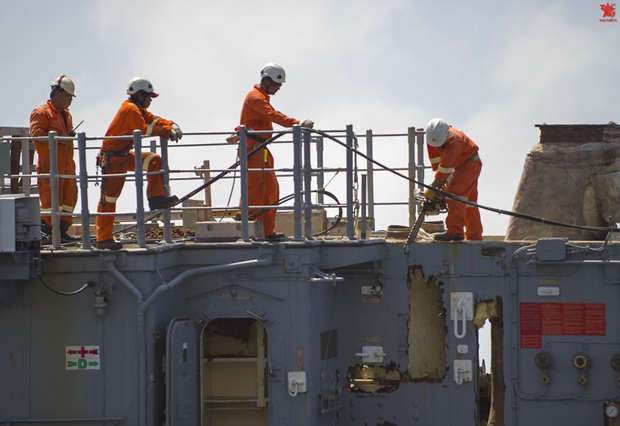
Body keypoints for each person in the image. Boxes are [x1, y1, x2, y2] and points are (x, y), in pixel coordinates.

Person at [96, 77, 182, 250]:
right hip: (113, 159)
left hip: (123, 155)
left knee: (154, 160)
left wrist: (172, 124)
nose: (151, 100)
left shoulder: (138, 109)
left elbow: (154, 120)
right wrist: (167, 132)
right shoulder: (131, 110)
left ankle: (156, 199)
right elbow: (144, 129)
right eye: (149, 96)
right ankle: (103, 239)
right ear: (141, 95)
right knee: (109, 199)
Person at [234, 62, 314, 240]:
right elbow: (272, 115)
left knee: (270, 190)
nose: (278, 89)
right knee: (254, 187)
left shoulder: (261, 97)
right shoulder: (255, 98)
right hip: (252, 148)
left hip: (260, 148)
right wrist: (296, 123)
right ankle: (247, 223)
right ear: (266, 81)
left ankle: (267, 231)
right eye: (276, 85)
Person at [29, 75, 79, 243]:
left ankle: (62, 231)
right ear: (58, 93)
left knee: (68, 198)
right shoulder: (41, 112)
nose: (71, 100)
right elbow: (36, 135)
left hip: (67, 165)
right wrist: (59, 138)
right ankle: (48, 231)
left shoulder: (67, 115)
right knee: (51, 200)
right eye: (68, 96)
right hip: (50, 165)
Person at [424, 118, 483, 241]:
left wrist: (434, 187)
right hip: (463, 166)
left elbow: (445, 169)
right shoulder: (433, 139)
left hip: (468, 166)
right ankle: (474, 236)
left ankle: (455, 232)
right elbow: (439, 166)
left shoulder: (455, 140)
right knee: (469, 202)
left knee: (454, 196)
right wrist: (440, 187)